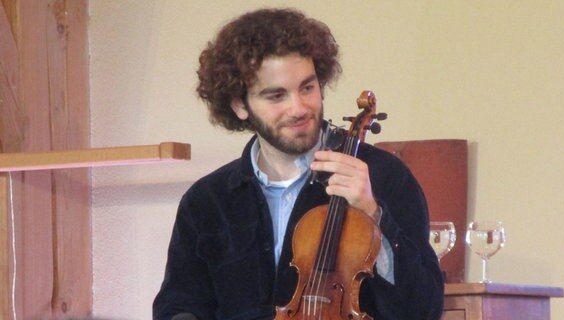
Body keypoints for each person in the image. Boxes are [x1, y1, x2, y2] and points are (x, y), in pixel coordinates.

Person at [153, 7, 444, 320]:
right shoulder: (207, 201)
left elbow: (424, 310)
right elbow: (179, 305)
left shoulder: (383, 176)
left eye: (307, 87)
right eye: (276, 96)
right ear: (240, 105)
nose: (299, 108)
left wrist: (374, 214)